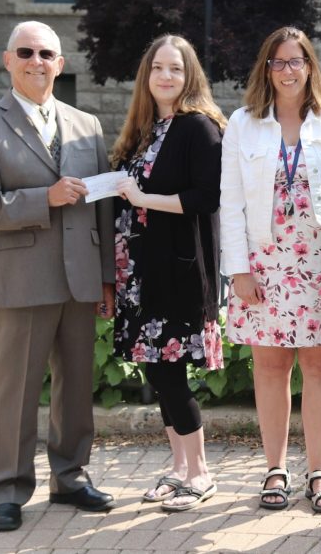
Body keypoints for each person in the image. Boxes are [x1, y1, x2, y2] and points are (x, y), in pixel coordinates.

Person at [0, 21, 116, 532]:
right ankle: (6, 489)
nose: (36, 61)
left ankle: (70, 477)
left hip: (79, 278)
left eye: (46, 53)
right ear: (8, 61)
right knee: (15, 390)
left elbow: (104, 210)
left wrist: (107, 277)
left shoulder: (86, 124)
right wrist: (41, 199)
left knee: (76, 387)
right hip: (21, 278)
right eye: (25, 52)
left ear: (60, 63)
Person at [219, 27, 321, 512]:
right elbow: (230, 200)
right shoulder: (243, 123)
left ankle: (318, 471)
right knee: (271, 366)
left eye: (297, 60)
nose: (288, 69)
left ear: (311, 66)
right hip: (265, 262)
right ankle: (275, 469)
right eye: (278, 62)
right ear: (267, 69)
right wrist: (237, 269)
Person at [108, 35, 226, 511]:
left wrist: (141, 199)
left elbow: (205, 197)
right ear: (147, 75)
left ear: (189, 75)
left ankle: (199, 474)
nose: (165, 76)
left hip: (176, 274)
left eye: (175, 69)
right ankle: (178, 470)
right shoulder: (142, 129)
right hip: (138, 274)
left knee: (171, 375)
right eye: (158, 67)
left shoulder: (199, 128)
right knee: (158, 373)